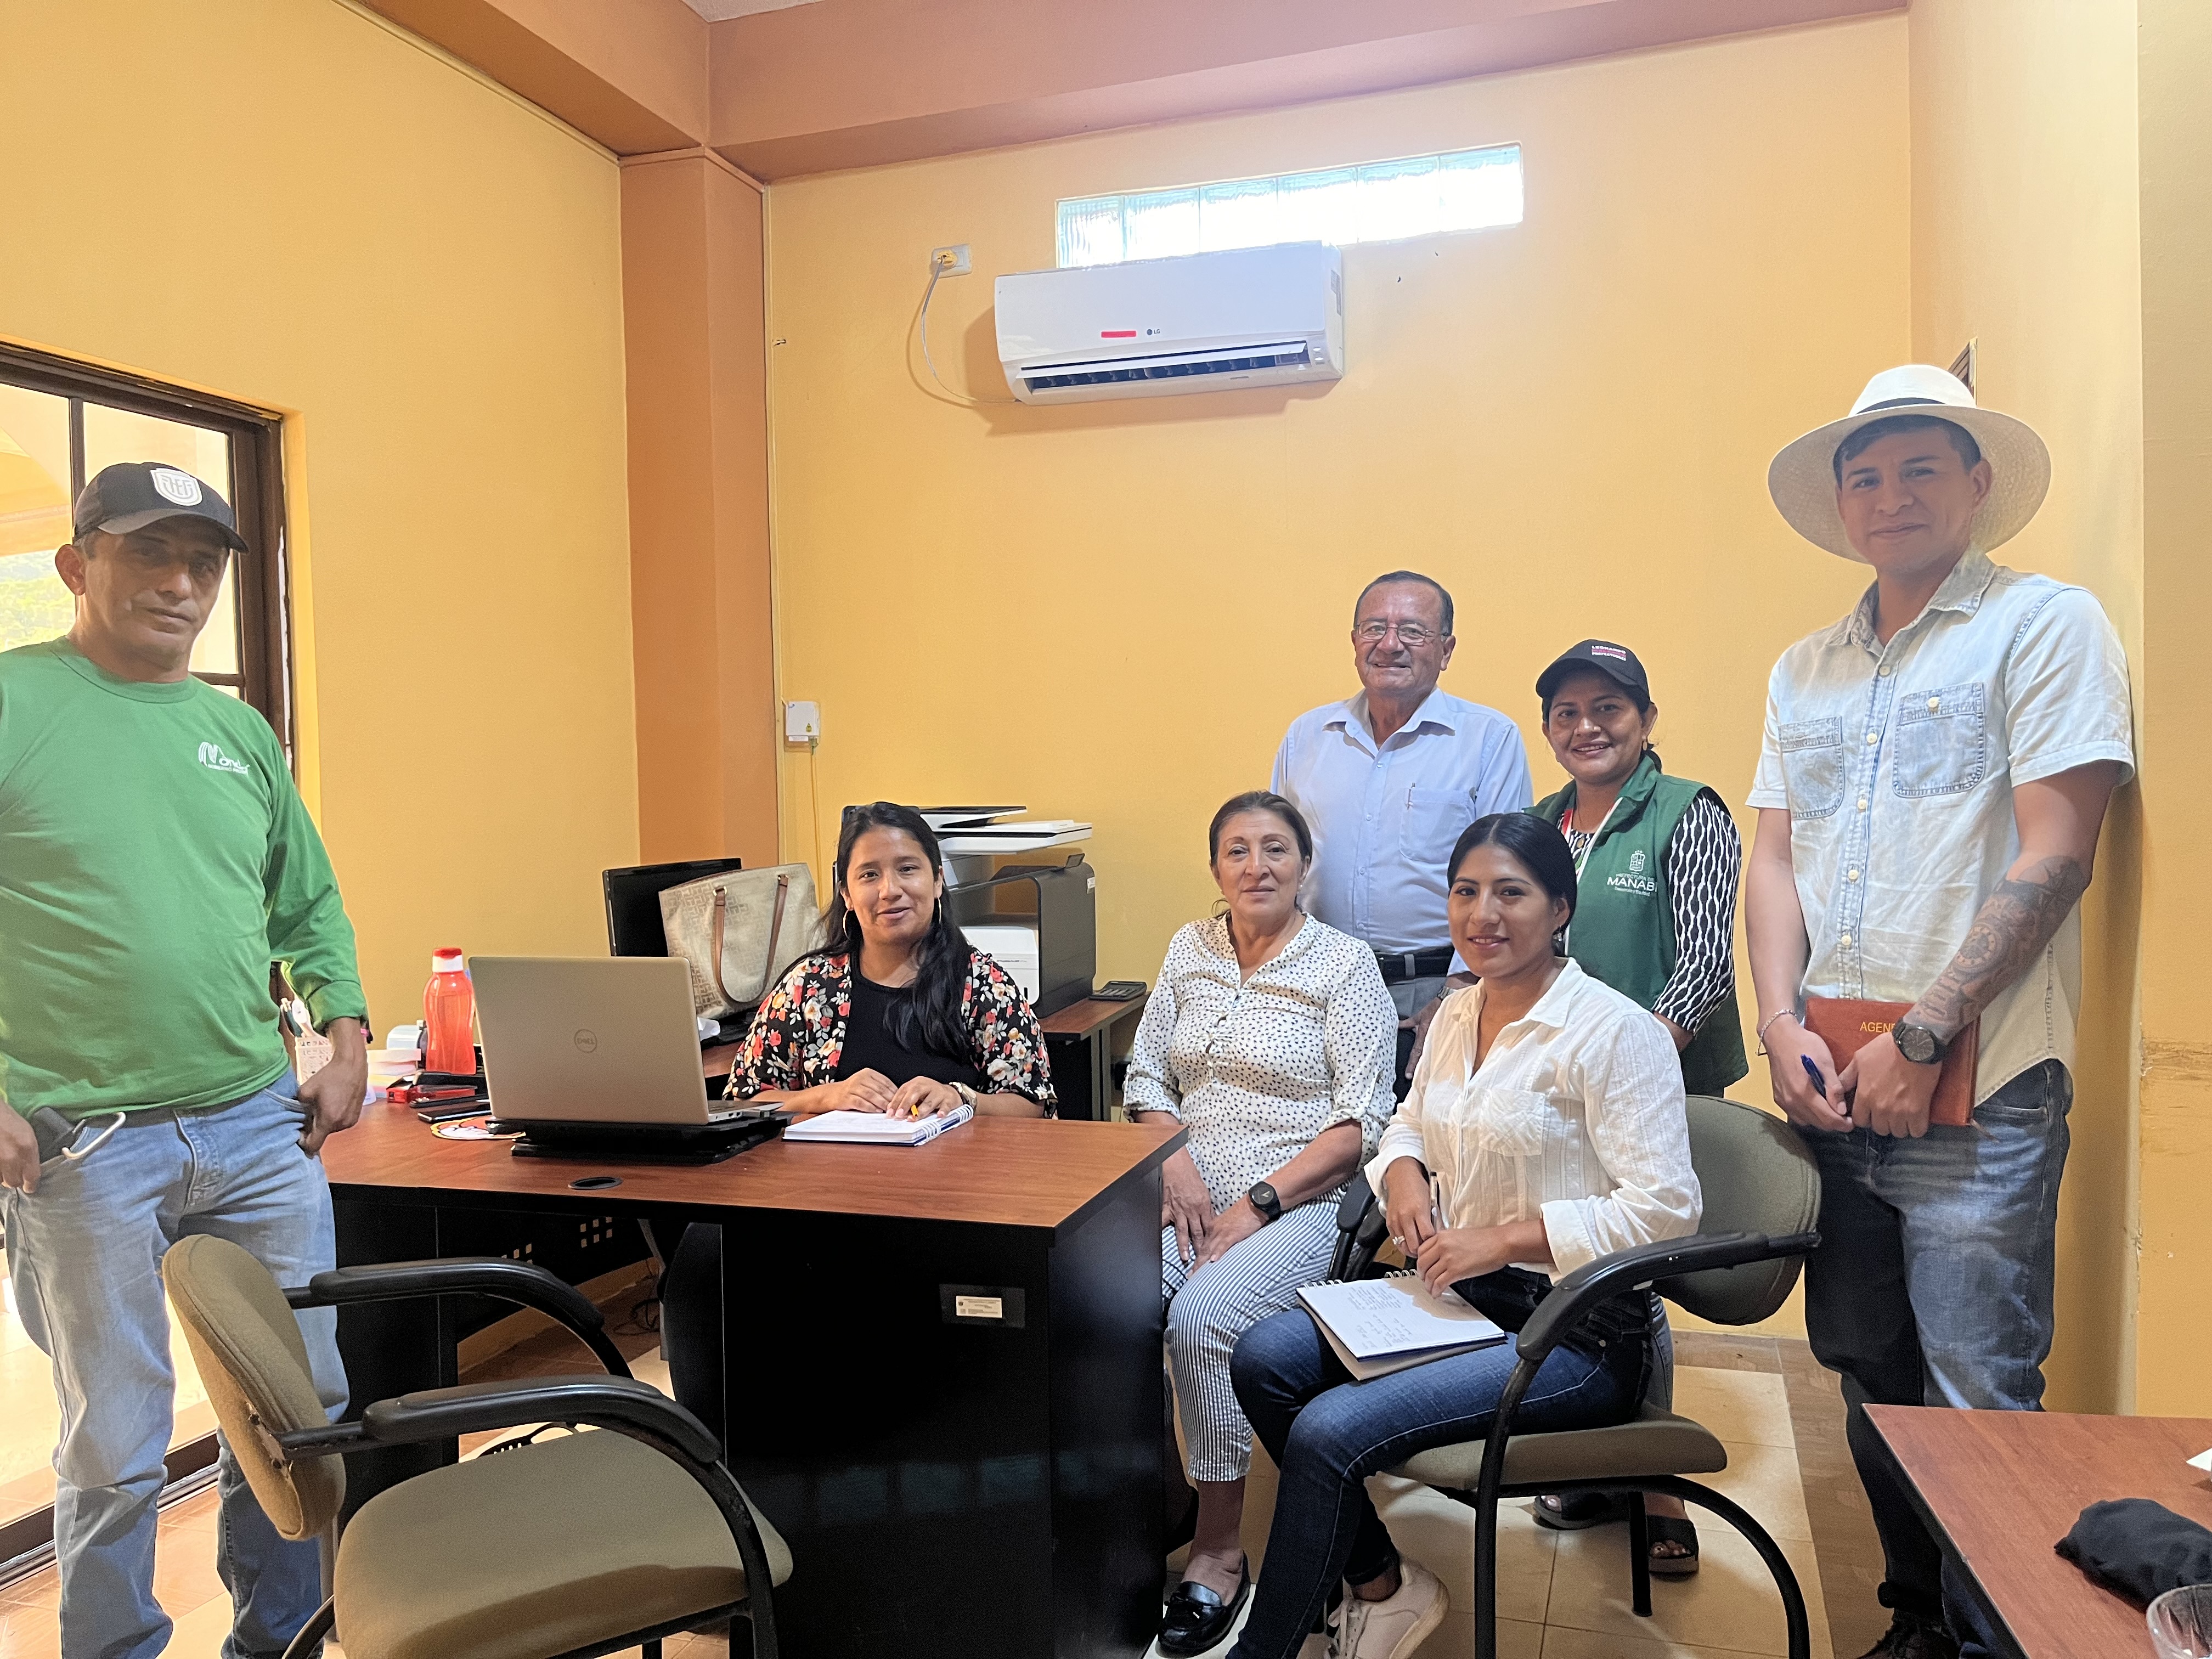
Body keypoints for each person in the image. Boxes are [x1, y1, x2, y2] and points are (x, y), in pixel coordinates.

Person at [1745, 366, 2132, 1659]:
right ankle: (1919, 1620)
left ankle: (1988, 1643)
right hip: (1833, 1094)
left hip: (1982, 1097)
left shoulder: (2044, 626)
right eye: (1865, 475)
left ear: (1976, 483)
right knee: (1870, 1376)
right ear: (1841, 504)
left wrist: (1923, 1037)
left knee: (1977, 1397)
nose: (1890, 495)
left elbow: (2059, 852)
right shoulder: (1803, 667)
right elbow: (1774, 862)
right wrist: (1778, 1025)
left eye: (1920, 467)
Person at [0, 463, 369, 1659]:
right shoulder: (13, 701)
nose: (180, 583)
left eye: (202, 562)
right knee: (115, 1441)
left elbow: (306, 901)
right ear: (76, 565)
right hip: (85, 1145)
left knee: (301, 1411)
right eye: (148, 553)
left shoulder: (237, 732)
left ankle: (280, 1640)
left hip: (258, 1121)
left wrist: (347, 1031)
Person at [1221, 812, 1701, 1659]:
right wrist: (1403, 1172)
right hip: (1464, 1301)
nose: (1484, 914)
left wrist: (1506, 1240)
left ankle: (1269, 1648)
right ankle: (1383, 1587)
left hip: (1579, 1337)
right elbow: (1406, 1124)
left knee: (1332, 1429)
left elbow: (1666, 1211)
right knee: (1263, 1357)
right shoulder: (1454, 1015)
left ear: (1560, 908)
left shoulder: (1616, 1033)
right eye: (1466, 892)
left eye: (1511, 893)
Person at [659, 803, 1056, 1447]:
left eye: (908, 870)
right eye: (869, 875)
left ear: (938, 880)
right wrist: (823, 1096)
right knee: (704, 1264)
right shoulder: (809, 985)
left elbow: (1032, 1102)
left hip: (944, 1205)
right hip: (812, 1202)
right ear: (846, 892)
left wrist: (962, 1098)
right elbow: (742, 1101)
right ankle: (718, 1455)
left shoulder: (981, 982)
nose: (890, 889)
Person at [1123, 791, 1397, 1657]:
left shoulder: (1344, 965)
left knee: (1202, 1317)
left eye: (1276, 848)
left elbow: (1363, 1125)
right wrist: (1174, 1161)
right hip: (1184, 1193)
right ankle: (1152, 1509)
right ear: (1215, 868)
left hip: (1302, 1202)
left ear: (1305, 865)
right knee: (1108, 1307)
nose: (1257, 866)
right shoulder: (1189, 948)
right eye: (1237, 850)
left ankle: (1218, 1551)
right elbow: (1146, 1079)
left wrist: (1259, 1203)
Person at [1522, 638, 1746, 1575]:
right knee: (1574, 1264)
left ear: (1645, 720)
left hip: (1658, 1083)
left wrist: (1630, 1073)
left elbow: (1701, 964)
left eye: (1608, 707)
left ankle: (1656, 1483)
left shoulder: (1688, 811)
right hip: (1556, 1091)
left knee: (1634, 1272)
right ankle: (1591, 1456)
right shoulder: (1541, 821)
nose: (1587, 727)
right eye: (1567, 712)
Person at [1273, 571, 1532, 1093]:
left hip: (1435, 990)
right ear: (1354, 642)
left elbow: (1508, 881)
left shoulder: (1488, 739)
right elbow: (1279, 862)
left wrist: (1459, 995)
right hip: (1318, 985)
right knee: (1321, 1137)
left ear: (1446, 649)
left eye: (1412, 631)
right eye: (1375, 628)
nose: (1390, 644)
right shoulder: (1307, 737)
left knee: (1429, 1140)